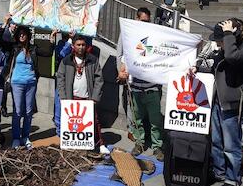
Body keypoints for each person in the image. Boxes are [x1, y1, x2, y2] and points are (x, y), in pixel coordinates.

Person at [191, 18, 243, 186]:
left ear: (233, 36)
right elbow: (216, 66)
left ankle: (232, 180)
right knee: (217, 141)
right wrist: (198, 69)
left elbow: (232, 58)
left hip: (234, 104)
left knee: (231, 145)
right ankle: (219, 173)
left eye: (221, 39)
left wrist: (228, 35)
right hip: (218, 102)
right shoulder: (224, 49)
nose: (218, 43)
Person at [117, 8, 164, 161]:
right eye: (143, 21)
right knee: (136, 120)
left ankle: (157, 146)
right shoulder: (128, 35)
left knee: (155, 121)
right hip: (135, 87)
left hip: (151, 87)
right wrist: (121, 72)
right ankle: (139, 143)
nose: (145, 24)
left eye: (147, 21)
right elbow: (122, 56)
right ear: (137, 19)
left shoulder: (155, 35)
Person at [56, 35, 109, 154]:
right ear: (73, 46)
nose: (81, 47)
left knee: (94, 120)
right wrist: (63, 97)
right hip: (72, 97)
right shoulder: (66, 61)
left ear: (86, 46)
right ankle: (72, 144)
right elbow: (60, 79)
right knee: (72, 121)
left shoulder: (92, 60)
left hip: (88, 97)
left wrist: (95, 97)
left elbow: (99, 79)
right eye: (78, 45)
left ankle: (100, 144)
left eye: (83, 45)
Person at [5, 25, 56, 149]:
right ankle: (16, 138)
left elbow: (48, 53)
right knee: (17, 111)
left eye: (24, 33)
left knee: (28, 112)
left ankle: (25, 137)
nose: (22, 35)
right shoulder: (14, 48)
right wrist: (6, 25)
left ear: (28, 35)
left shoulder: (33, 48)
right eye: (20, 34)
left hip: (31, 83)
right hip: (17, 83)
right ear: (17, 36)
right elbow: (1, 40)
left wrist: (52, 39)